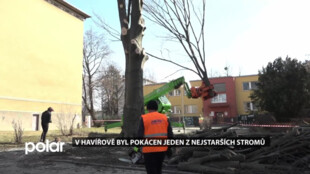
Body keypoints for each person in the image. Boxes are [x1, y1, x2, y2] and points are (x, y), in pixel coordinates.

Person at [137, 100, 173, 174]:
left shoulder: (144, 118)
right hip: (162, 149)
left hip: (149, 150)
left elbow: (140, 136)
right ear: (157, 108)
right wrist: (169, 148)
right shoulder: (165, 118)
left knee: (151, 171)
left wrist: (136, 148)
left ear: (147, 108)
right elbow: (170, 135)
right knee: (158, 170)